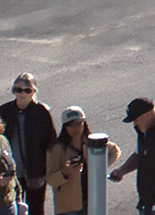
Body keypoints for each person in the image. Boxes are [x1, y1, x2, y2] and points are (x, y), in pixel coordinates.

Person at [108, 99, 155, 215]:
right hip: (149, 205)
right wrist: (122, 170)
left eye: (136, 119)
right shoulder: (146, 131)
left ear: (148, 114)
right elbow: (139, 154)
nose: (134, 124)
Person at [47, 108, 116, 215]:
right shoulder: (57, 148)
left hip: (92, 200)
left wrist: (99, 168)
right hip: (68, 207)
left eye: (78, 123)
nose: (75, 128)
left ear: (84, 124)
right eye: (71, 125)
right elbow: (51, 179)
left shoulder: (92, 142)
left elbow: (114, 151)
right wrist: (65, 172)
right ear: (65, 128)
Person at [1, 75, 53, 215]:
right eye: (18, 90)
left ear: (34, 91)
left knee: (35, 209)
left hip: (35, 171)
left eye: (27, 90)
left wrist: (47, 168)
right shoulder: (4, 111)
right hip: (11, 173)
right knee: (12, 208)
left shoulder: (41, 112)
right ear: (13, 91)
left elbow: (51, 142)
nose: (22, 93)